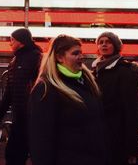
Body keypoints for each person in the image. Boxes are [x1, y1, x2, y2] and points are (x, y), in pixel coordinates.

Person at [28, 34, 107, 165]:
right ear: (59, 57)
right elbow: (41, 139)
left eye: (81, 53)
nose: (81, 57)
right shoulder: (46, 89)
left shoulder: (87, 82)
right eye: (75, 53)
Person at [91, 31, 138, 165]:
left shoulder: (125, 71)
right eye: (101, 42)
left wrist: (132, 150)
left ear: (115, 45)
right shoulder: (95, 69)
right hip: (99, 131)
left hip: (117, 133)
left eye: (108, 42)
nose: (104, 45)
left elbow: (130, 111)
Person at [0, 28, 42, 165]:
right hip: (20, 116)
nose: (10, 43)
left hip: (32, 116)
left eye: (12, 40)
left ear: (21, 41)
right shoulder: (15, 60)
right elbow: (9, 91)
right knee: (14, 154)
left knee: (21, 154)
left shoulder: (36, 58)